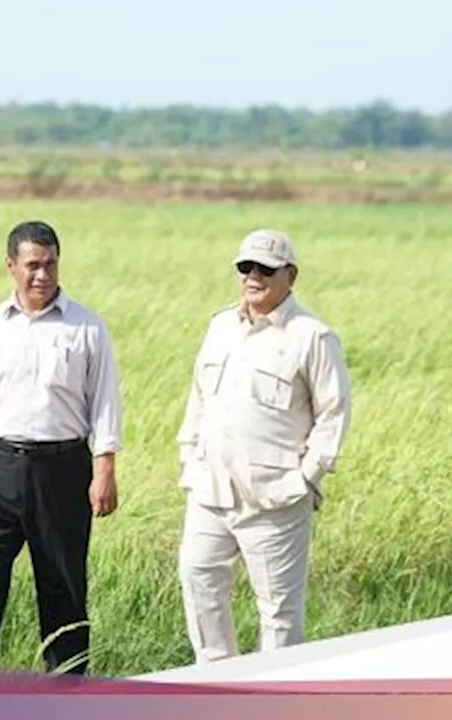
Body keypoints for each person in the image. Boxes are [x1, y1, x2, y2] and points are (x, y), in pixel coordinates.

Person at [0, 220, 123, 679]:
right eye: (33, 265)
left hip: (62, 471)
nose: (43, 275)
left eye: (51, 264)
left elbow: (104, 405)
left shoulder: (86, 327)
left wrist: (105, 471)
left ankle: (67, 690)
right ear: (11, 267)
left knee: (62, 588)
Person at [175, 228, 352, 663]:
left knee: (278, 614)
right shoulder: (220, 326)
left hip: (275, 498)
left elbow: (334, 413)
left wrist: (305, 477)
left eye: (266, 269)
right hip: (211, 489)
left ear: (290, 275)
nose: (253, 276)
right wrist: (188, 458)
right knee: (199, 582)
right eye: (245, 267)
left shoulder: (312, 336)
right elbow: (199, 399)